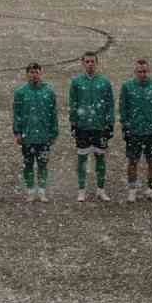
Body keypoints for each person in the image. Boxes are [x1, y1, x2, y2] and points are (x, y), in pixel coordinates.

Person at [67, 51, 115, 203]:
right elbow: (73, 104)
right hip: (83, 126)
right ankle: (81, 190)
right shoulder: (76, 82)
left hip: (100, 127)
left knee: (100, 158)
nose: (90, 64)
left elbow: (110, 105)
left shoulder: (105, 82)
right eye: (87, 61)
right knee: (82, 159)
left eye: (92, 61)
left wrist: (110, 124)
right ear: (83, 63)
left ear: (97, 62)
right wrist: (73, 123)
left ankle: (101, 190)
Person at [119, 58, 152, 203]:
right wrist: (126, 127)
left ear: (148, 71)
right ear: (135, 72)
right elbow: (123, 109)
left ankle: (151, 190)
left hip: (151, 133)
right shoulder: (127, 87)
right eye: (140, 71)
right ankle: (132, 191)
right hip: (134, 132)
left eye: (145, 71)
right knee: (133, 162)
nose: (143, 74)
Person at [13, 62, 57, 201]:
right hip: (28, 135)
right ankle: (31, 190)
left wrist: (53, 132)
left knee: (43, 163)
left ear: (41, 73)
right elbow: (17, 114)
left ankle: (42, 190)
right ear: (27, 74)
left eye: (36, 72)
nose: (34, 75)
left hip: (44, 135)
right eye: (31, 72)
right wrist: (18, 132)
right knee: (28, 164)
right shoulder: (21, 92)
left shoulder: (49, 91)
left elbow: (53, 113)